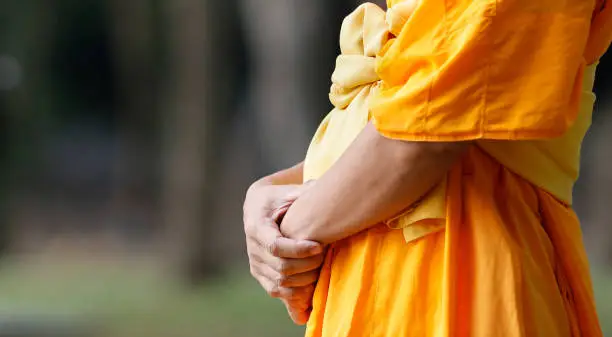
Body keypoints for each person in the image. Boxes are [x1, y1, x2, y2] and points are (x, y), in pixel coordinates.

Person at [243, 0, 612, 335]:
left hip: (467, 271)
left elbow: (426, 139)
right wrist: (270, 192)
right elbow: (410, 120)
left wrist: (289, 227)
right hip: (370, 276)